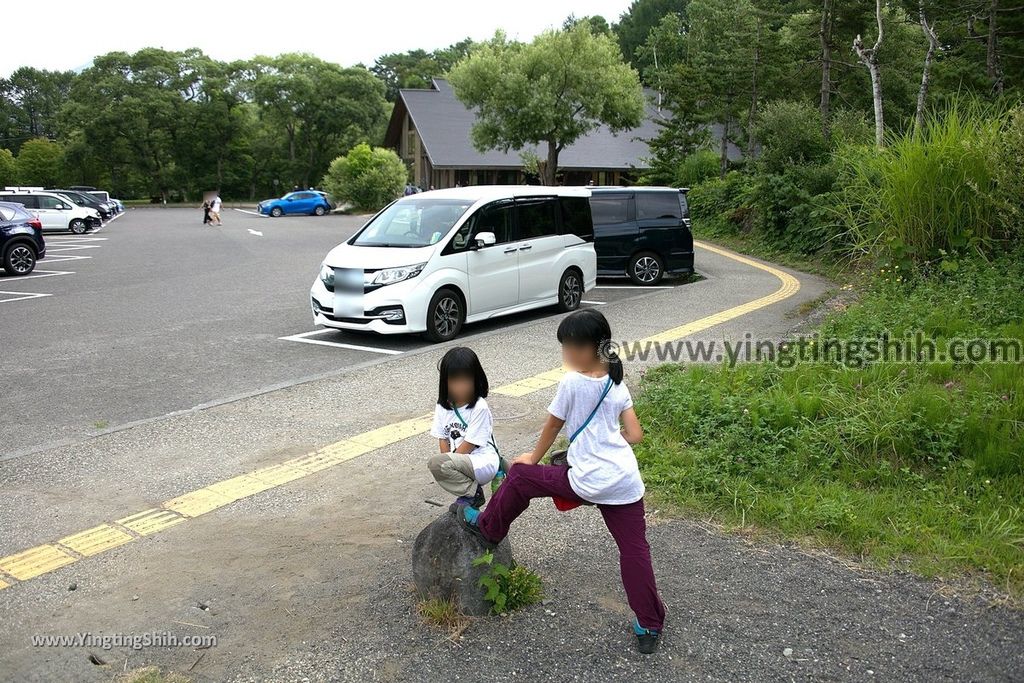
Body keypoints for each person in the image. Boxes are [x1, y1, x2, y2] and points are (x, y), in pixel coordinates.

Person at [461, 309, 666, 654]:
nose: (566, 354)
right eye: (565, 347)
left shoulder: (573, 382)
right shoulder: (616, 381)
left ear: (593, 348)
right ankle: (649, 624)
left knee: (521, 477)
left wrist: (534, 457)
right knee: (634, 551)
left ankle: (488, 527)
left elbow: (553, 425)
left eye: (571, 347)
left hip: (586, 479)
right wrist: (607, 441)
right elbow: (635, 434)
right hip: (624, 481)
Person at [428, 347, 502, 512]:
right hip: (461, 461)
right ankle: (470, 492)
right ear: (445, 382)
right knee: (438, 464)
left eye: (466, 380)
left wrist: (448, 462)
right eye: (455, 381)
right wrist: (447, 461)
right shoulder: (442, 406)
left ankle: (473, 494)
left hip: (483, 462)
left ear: (477, 379)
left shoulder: (479, 407)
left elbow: (469, 444)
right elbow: (443, 438)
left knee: (439, 463)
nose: (461, 386)